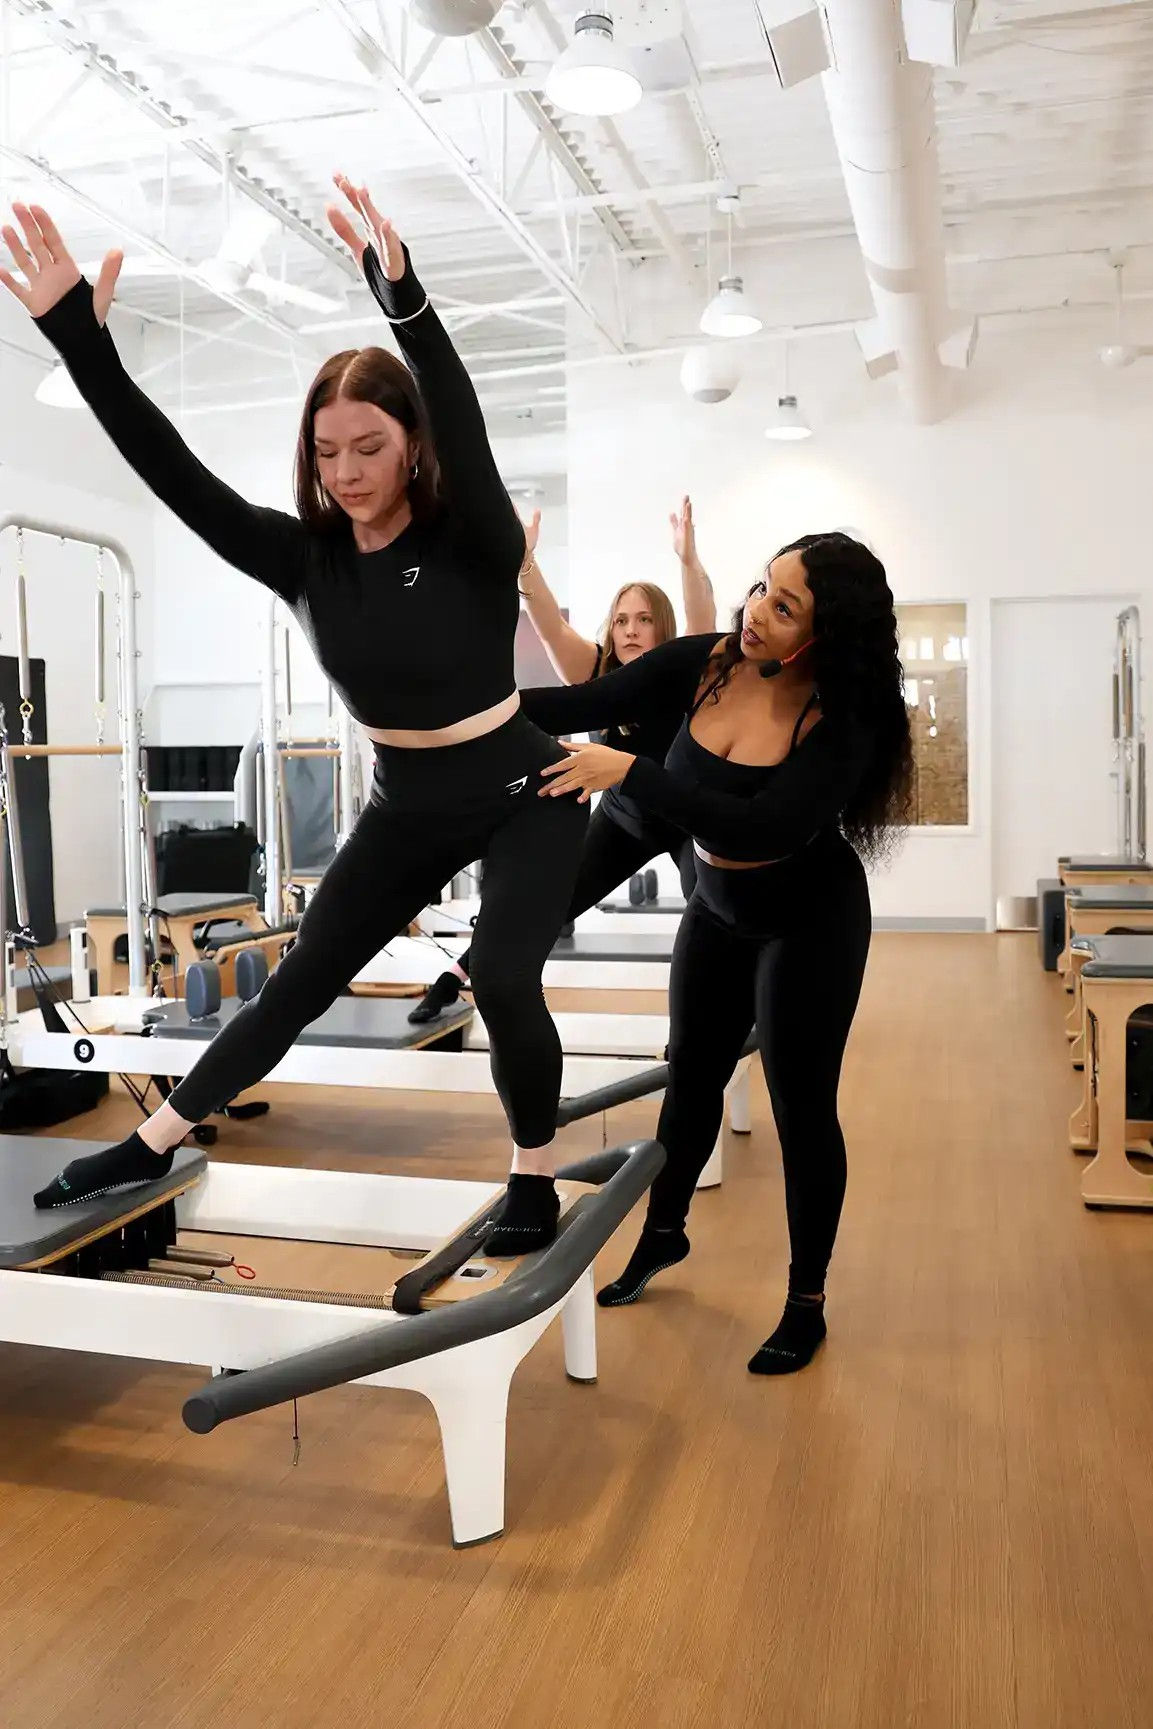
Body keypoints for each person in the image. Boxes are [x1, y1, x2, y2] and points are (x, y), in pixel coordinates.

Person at [1, 181, 587, 1251]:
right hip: (406, 803)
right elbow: (169, 469)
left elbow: (457, 401)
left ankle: (534, 1177)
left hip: (523, 789)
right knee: (299, 978)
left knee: (502, 970)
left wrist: (407, 304)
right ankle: (157, 1139)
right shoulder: (303, 559)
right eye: (326, 452)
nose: (346, 471)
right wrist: (76, 340)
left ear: (409, 442)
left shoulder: (475, 539)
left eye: (368, 445)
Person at [518, 533, 913, 1372]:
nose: (754, 613)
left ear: (825, 633)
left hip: (808, 917)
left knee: (801, 1110)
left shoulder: (843, 719)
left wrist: (628, 772)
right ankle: (664, 1234)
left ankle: (805, 1298)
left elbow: (759, 824)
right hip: (718, 908)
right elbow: (569, 707)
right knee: (689, 1076)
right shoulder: (707, 662)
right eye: (760, 589)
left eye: (783, 606)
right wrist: (455, 706)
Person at [409, 498, 717, 1024]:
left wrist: (689, 562)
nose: (631, 629)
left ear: (662, 630)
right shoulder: (593, 669)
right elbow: (547, 622)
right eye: (622, 620)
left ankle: (710, 1020)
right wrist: (525, 561)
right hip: (624, 816)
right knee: (548, 902)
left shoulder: (684, 668)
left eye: (644, 619)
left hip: (684, 820)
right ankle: (457, 976)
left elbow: (704, 619)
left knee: (709, 910)